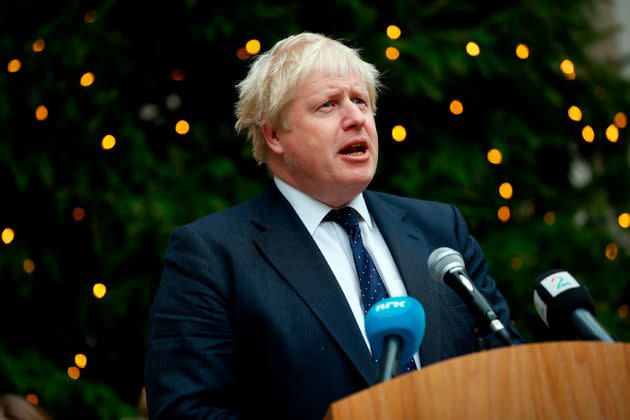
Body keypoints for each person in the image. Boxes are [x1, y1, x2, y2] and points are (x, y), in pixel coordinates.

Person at [144, 32, 523, 419]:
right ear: (273, 134)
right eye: (328, 105)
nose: (356, 117)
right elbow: (186, 411)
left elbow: (508, 366)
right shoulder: (213, 254)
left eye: (361, 101)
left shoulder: (441, 229)